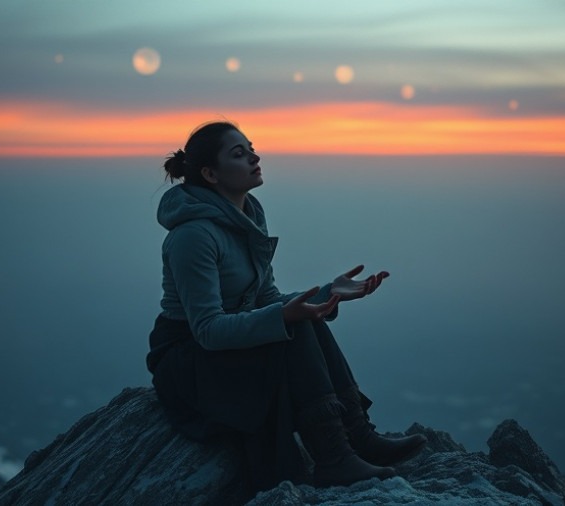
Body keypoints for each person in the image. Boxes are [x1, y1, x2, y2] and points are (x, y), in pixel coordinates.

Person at [146, 121, 425, 492]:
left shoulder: (247, 218)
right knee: (295, 327)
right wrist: (282, 316)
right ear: (210, 174)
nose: (254, 157)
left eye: (251, 148)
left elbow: (265, 300)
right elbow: (208, 331)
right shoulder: (193, 236)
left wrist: (329, 293)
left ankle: (357, 436)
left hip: (221, 346)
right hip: (189, 358)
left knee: (307, 320)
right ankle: (333, 458)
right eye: (239, 153)